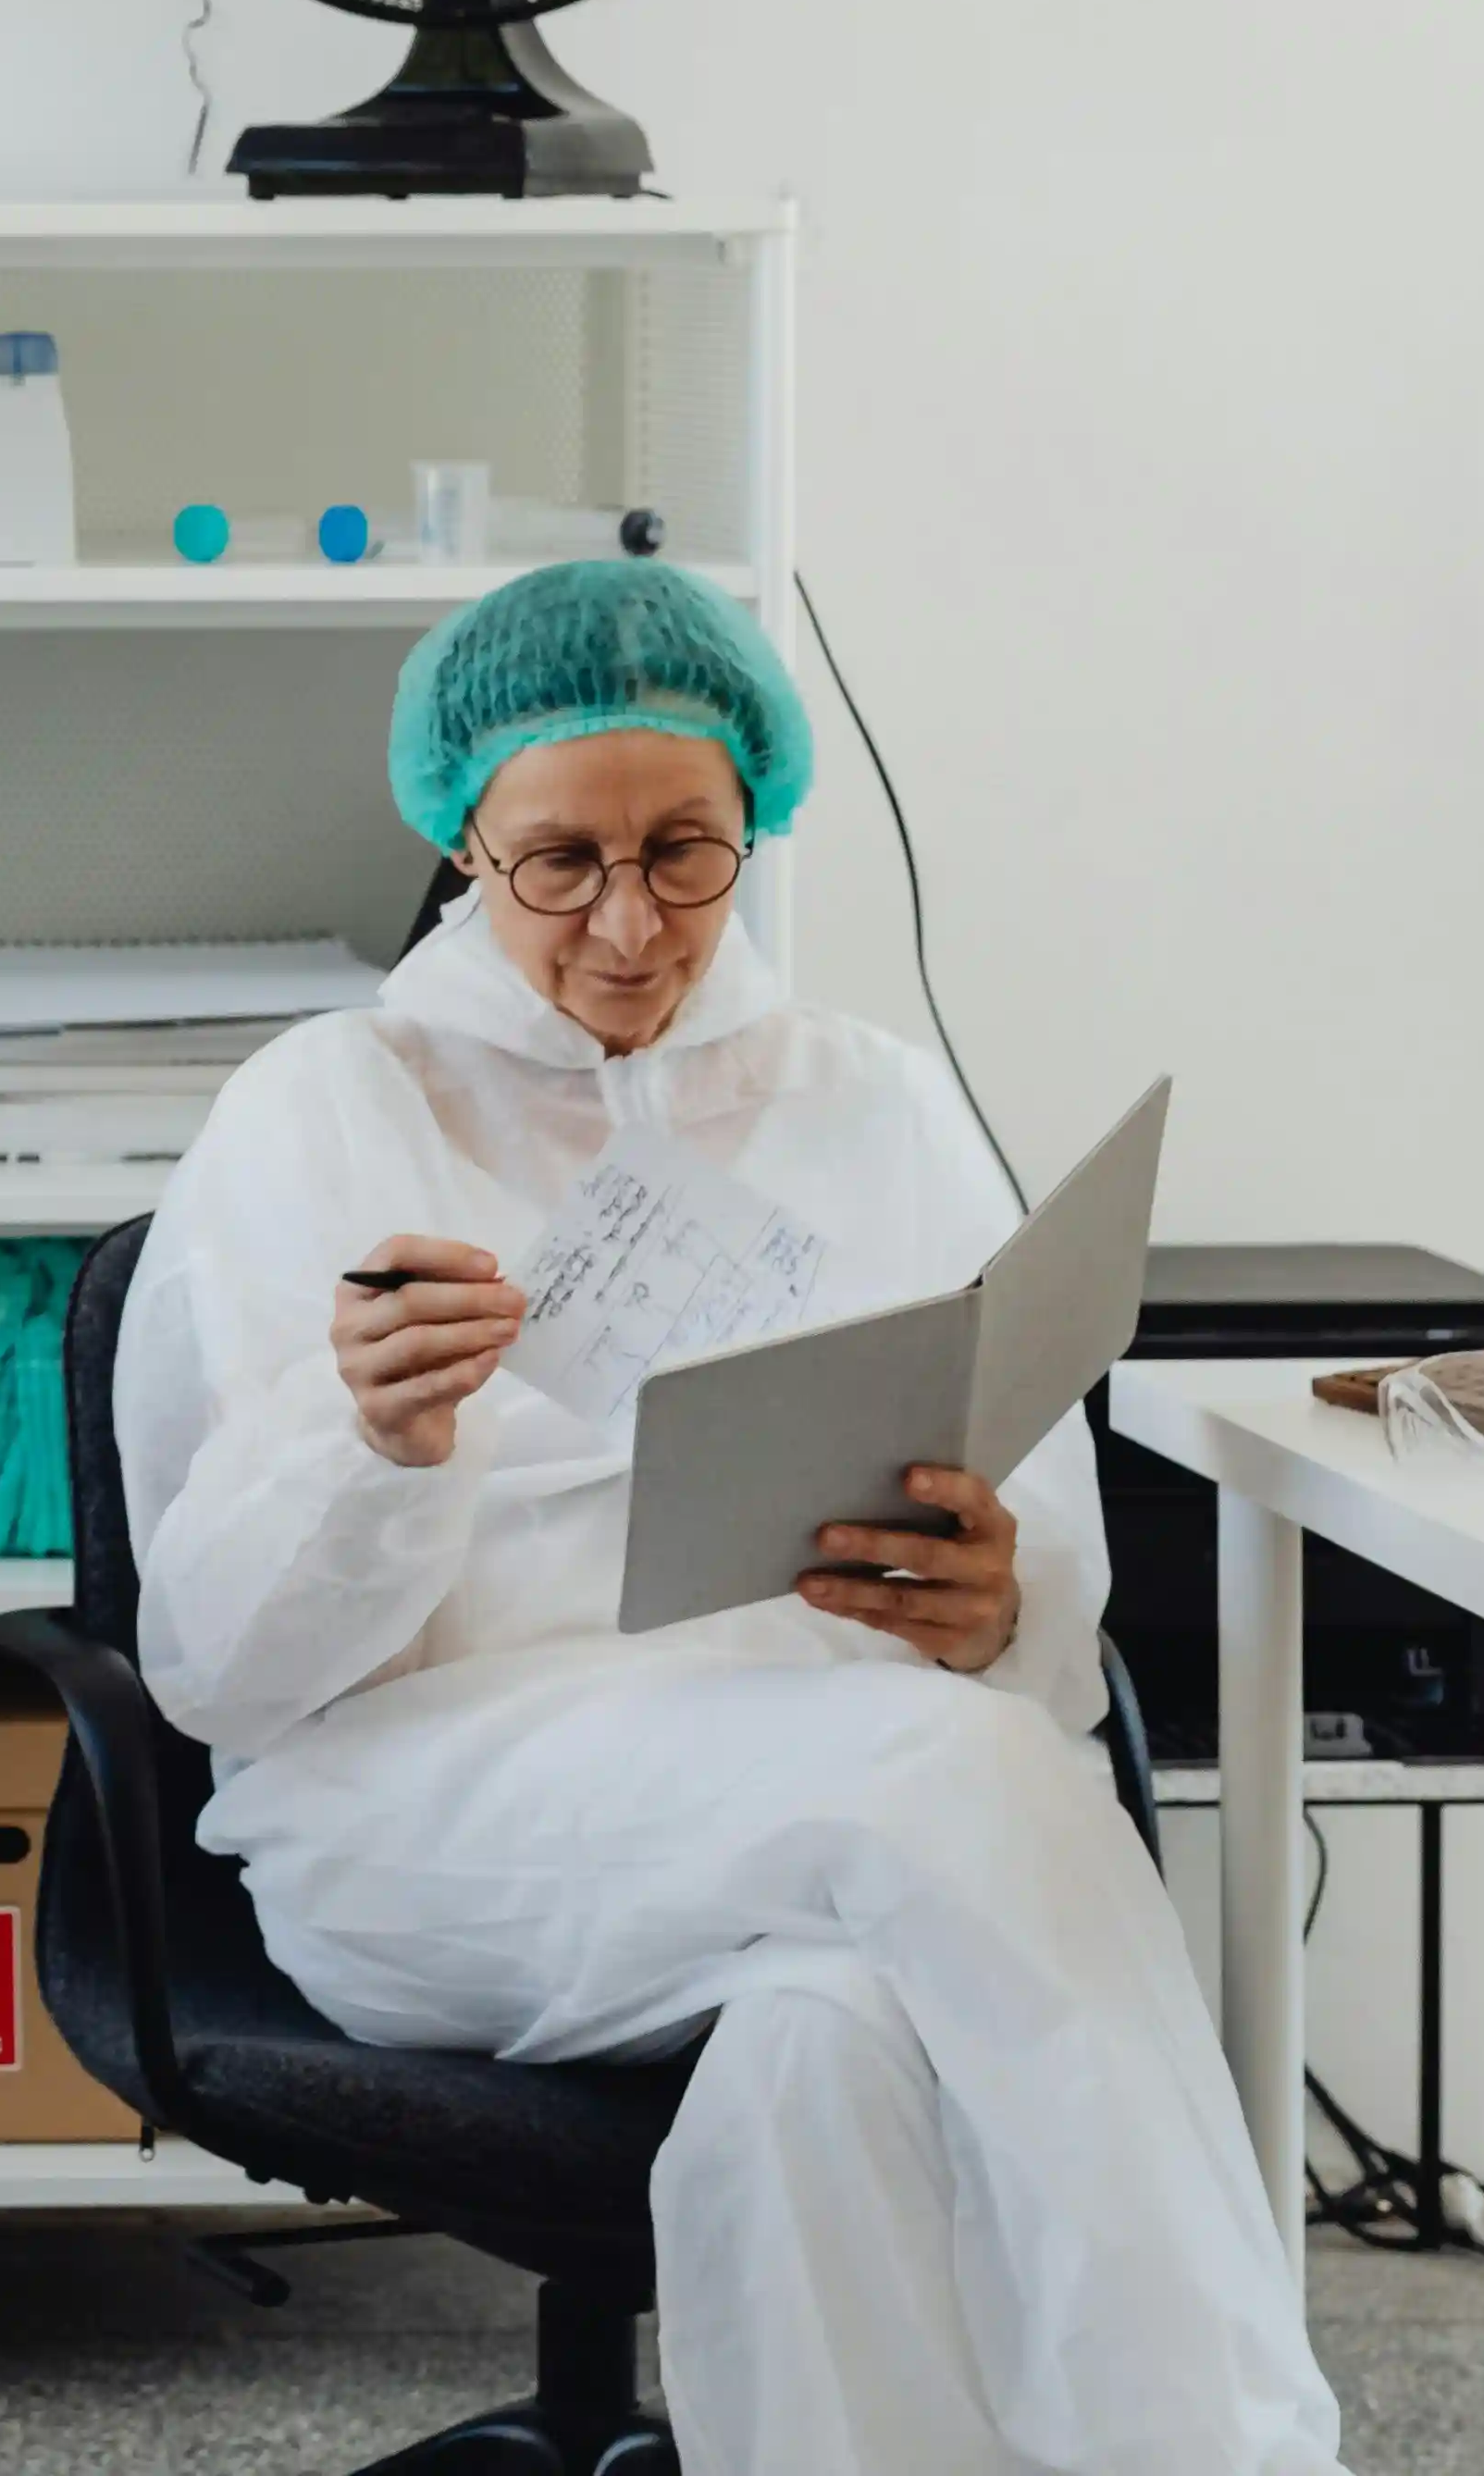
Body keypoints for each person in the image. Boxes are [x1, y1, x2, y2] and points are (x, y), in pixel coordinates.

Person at [117, 561, 1345, 2476]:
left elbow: (1040, 1556)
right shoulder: (320, 1112)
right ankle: (1238, 2453)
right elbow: (214, 1671)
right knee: (958, 1792)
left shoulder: (876, 1102)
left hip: (836, 1789)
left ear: (755, 824)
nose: (629, 924)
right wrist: (367, 1445)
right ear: (463, 842)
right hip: (425, 1811)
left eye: (687, 853)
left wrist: (991, 1601)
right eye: (561, 864)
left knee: (825, 2045)